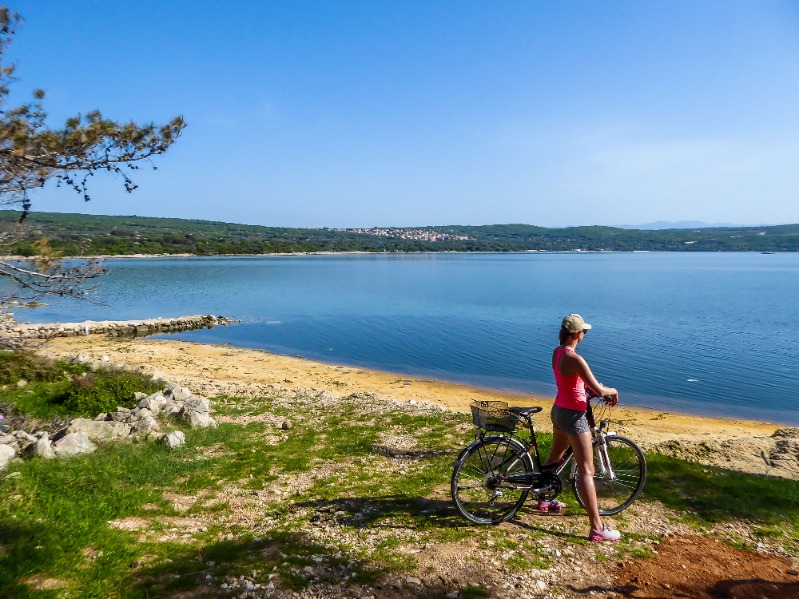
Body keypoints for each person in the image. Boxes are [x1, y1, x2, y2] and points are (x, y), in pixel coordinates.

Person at [538, 313, 622, 542]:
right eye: (583, 331)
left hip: (559, 411)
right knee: (587, 470)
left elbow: (577, 384)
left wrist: (594, 390)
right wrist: (612, 391)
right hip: (574, 417)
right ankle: (597, 527)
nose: (585, 334)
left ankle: (544, 497)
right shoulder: (575, 359)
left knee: (555, 456)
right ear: (576, 334)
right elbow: (598, 388)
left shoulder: (558, 353)